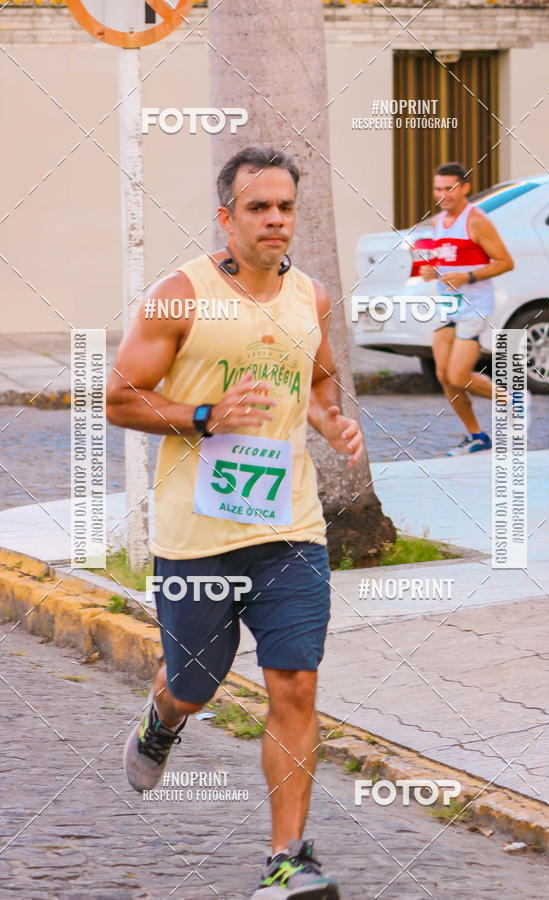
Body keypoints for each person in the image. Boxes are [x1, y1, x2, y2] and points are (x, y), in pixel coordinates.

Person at [106, 146, 364, 900]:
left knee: (295, 685)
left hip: (290, 530)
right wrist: (201, 416)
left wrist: (332, 420)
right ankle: (164, 718)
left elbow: (315, 378)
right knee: (197, 682)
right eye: (259, 207)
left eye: (285, 206)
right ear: (227, 217)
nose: (276, 219)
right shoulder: (178, 295)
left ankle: (289, 858)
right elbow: (119, 396)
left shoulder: (310, 297)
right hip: (197, 537)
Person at [420, 162, 514, 455]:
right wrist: (432, 272)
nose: (443, 194)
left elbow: (505, 262)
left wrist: (468, 276)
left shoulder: (476, 220)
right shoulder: (437, 222)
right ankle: (476, 435)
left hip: (474, 305)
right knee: (443, 375)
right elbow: (448, 259)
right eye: (438, 188)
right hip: (447, 304)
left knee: (459, 376)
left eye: (449, 188)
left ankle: (511, 400)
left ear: (464, 188)